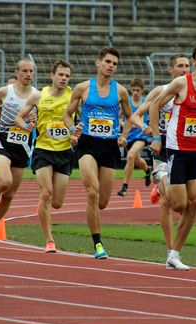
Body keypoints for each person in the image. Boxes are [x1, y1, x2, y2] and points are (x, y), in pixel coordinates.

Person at [149, 45, 196, 270]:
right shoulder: (181, 83)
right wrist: (156, 137)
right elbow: (155, 105)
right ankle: (161, 175)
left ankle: (174, 254)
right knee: (179, 205)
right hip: (177, 150)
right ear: (194, 62)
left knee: (193, 202)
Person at [63, 47, 133, 259]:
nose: (111, 66)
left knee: (102, 202)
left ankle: (96, 226)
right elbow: (67, 115)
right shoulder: (83, 88)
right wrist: (71, 129)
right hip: (87, 144)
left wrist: (124, 136)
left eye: (114, 64)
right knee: (92, 192)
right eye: (108, 62)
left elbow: (130, 117)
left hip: (110, 147)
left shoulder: (120, 91)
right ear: (98, 63)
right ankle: (98, 244)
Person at [124, 54, 190, 257]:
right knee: (167, 202)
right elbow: (135, 116)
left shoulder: (194, 93)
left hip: (185, 151)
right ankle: (171, 250)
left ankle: (159, 186)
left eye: (187, 66)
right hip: (162, 150)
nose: (184, 69)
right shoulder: (161, 92)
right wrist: (146, 128)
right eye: (180, 66)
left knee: (183, 204)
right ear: (171, 70)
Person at [15, 59, 73, 253]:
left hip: (64, 152)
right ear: (52, 76)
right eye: (61, 75)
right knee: (46, 193)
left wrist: (77, 131)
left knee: (57, 202)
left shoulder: (74, 96)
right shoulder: (39, 96)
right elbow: (19, 117)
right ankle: (49, 240)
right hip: (43, 149)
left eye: (67, 76)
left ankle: (44, 206)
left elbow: (83, 119)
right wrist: (26, 126)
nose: (64, 78)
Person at [0, 59, 38, 246]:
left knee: (11, 194)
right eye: (24, 71)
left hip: (23, 147)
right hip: (4, 142)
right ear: (17, 72)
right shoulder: (6, 91)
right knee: (4, 181)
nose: (28, 74)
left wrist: (35, 121)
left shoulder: (37, 96)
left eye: (31, 71)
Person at [117, 78, 151, 197]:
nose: (135, 92)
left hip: (141, 136)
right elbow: (118, 116)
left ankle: (124, 187)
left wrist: (148, 127)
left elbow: (152, 116)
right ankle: (147, 170)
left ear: (142, 90)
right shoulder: (128, 102)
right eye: (133, 90)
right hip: (129, 136)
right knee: (136, 160)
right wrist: (122, 123)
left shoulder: (145, 102)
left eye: (138, 90)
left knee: (130, 156)